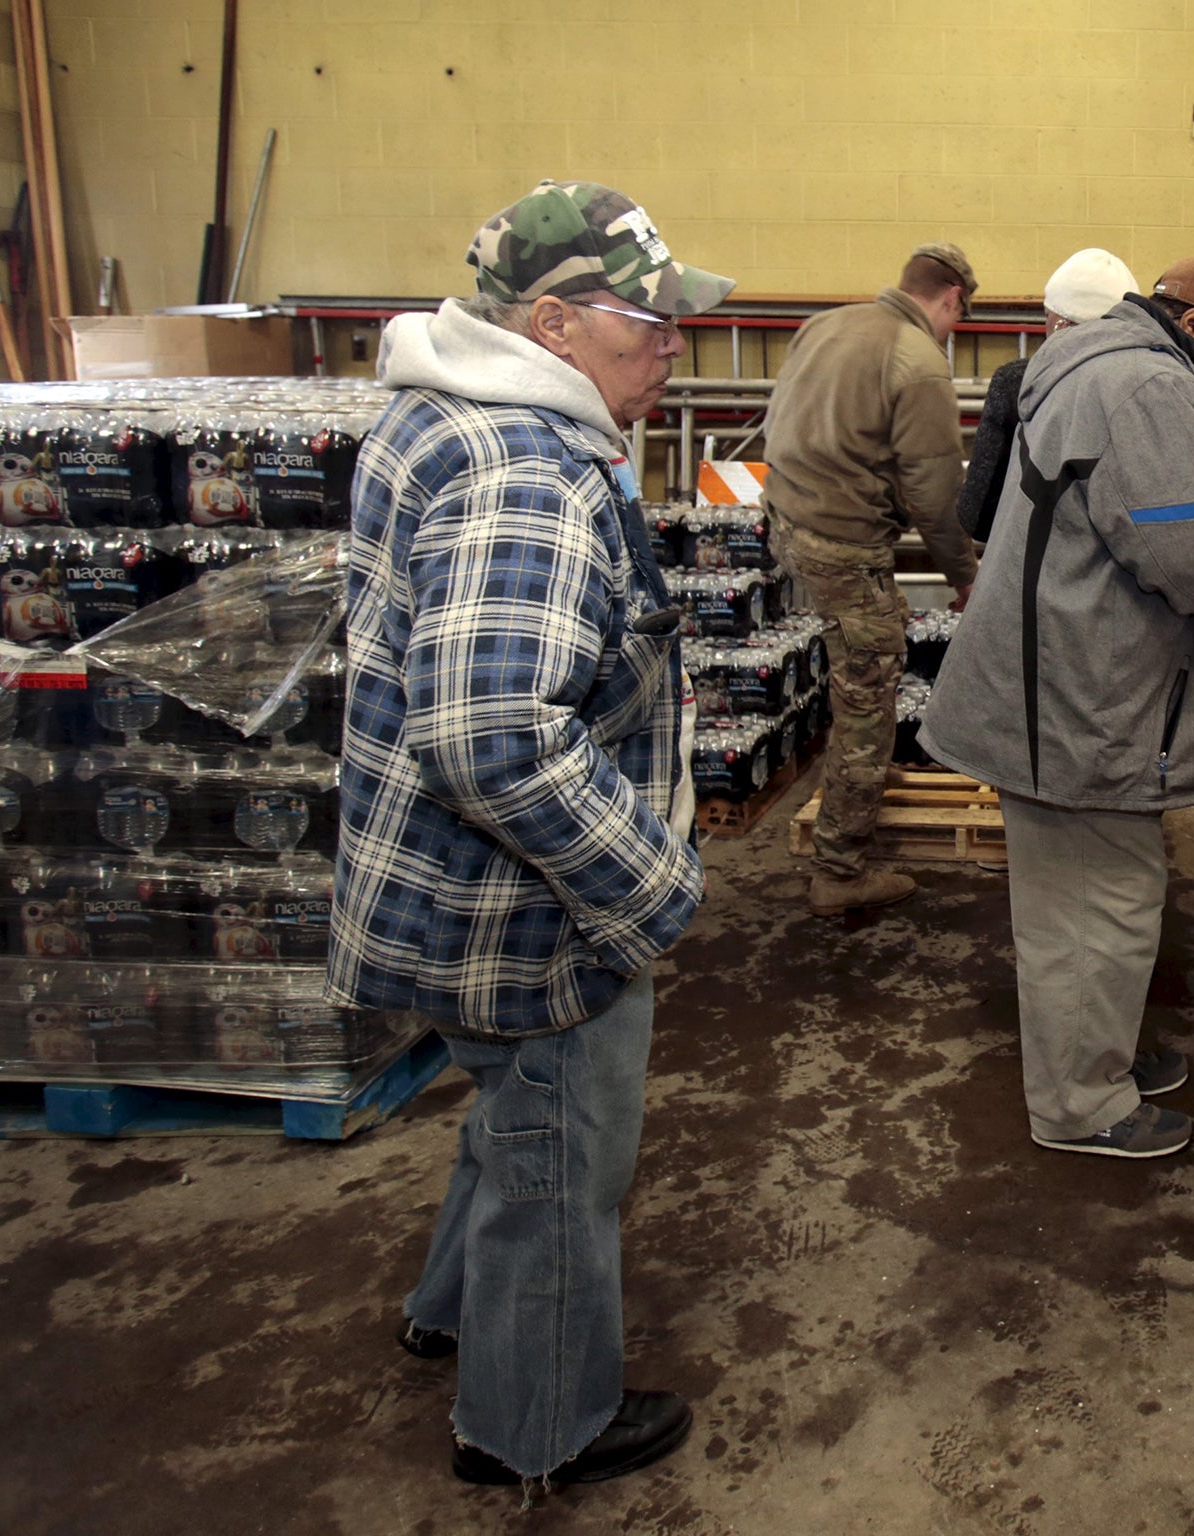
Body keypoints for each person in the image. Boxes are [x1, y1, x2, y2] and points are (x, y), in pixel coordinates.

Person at [327, 180, 731, 1490]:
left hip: (434, 884)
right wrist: (649, 884)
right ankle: (534, 1424)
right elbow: (498, 738)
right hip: (520, 907)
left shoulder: (436, 410)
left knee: (514, 1117)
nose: (672, 353)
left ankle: (453, 1312)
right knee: (562, 1151)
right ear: (553, 321)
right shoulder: (528, 468)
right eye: (650, 327)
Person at [919, 257, 1194, 1159]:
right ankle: (1082, 1104)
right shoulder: (1148, 389)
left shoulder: (1089, 366)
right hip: (1080, 703)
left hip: (1058, 684)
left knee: (1083, 905)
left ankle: (1100, 1053)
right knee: (1100, 909)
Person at [763, 242, 982, 917]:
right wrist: (966, 575)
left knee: (856, 672)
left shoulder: (828, 324)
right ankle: (840, 868)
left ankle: (862, 773)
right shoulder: (917, 362)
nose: (953, 329)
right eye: (958, 317)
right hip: (845, 541)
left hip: (790, 519)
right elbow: (936, 494)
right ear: (950, 299)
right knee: (870, 683)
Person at [956, 247, 1137, 542]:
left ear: (1060, 322)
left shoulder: (1017, 383)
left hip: (1036, 575)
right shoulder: (1151, 389)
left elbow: (978, 517)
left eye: (1047, 315)